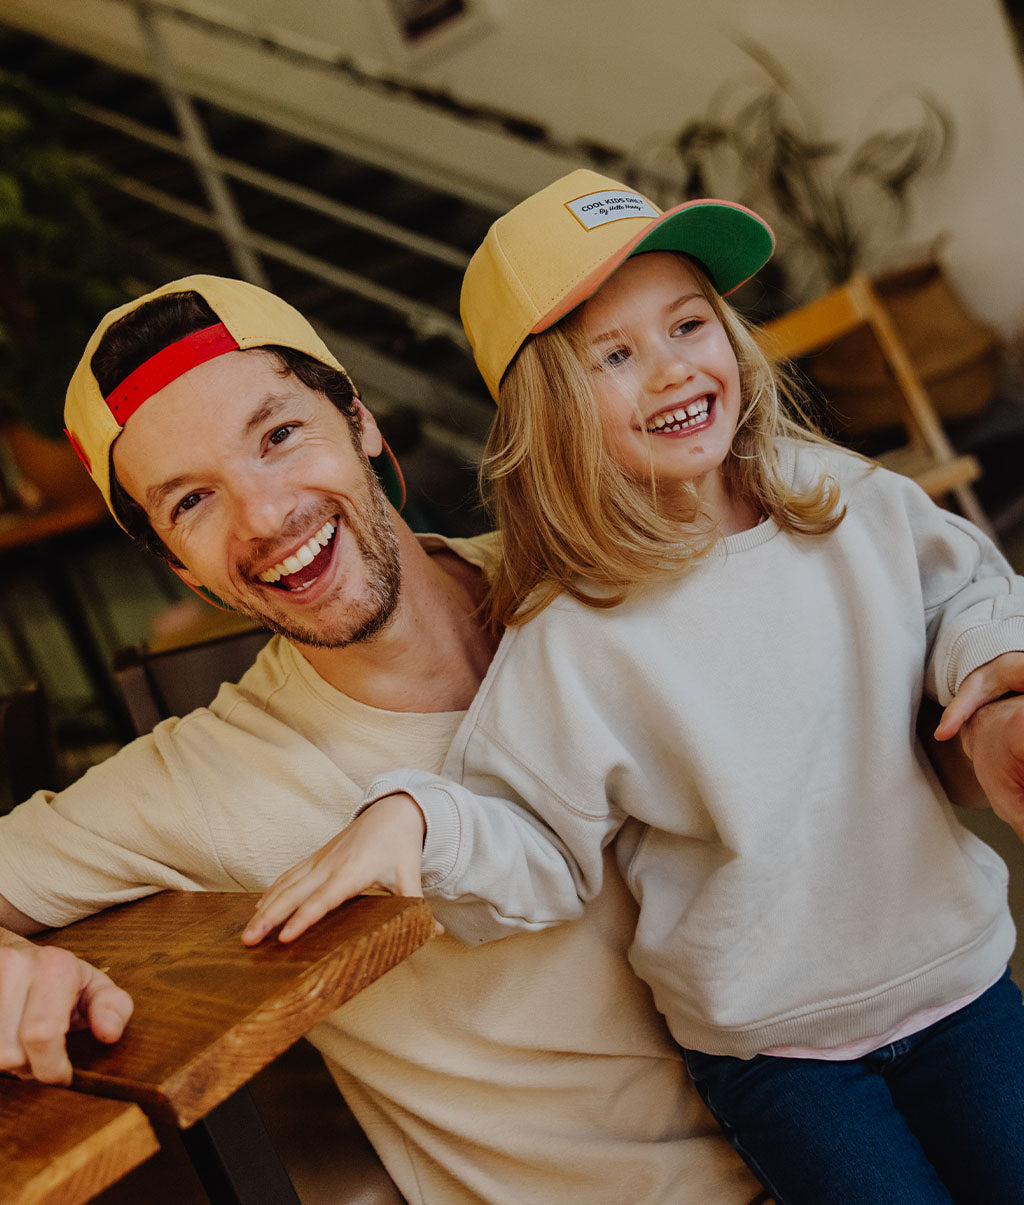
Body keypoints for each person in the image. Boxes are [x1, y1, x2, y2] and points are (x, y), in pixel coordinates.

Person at [246, 170, 1024, 1204]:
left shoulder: (847, 502)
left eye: (689, 323)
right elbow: (526, 831)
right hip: (778, 1060)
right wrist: (418, 821)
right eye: (614, 355)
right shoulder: (570, 635)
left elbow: (968, 592)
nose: (670, 370)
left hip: (960, 984)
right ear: (549, 409)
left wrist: (994, 667)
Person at [0, 273, 766, 1204]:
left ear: (359, 420)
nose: (266, 514)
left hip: (874, 1111)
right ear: (176, 565)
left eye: (279, 435)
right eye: (191, 502)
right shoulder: (207, 775)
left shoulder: (595, 578)